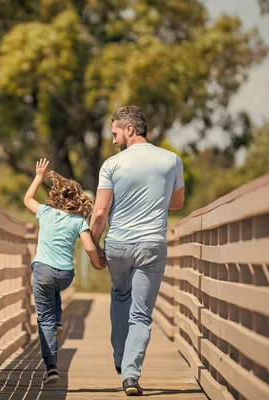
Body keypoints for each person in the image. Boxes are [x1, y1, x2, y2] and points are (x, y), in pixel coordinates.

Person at [90, 106, 185, 396]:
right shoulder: (172, 160)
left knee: (120, 294)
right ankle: (131, 375)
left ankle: (120, 358)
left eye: (115, 132)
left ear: (130, 129)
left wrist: (93, 244)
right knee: (142, 314)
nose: (114, 139)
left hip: (118, 245)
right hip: (151, 246)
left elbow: (100, 211)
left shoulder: (111, 165)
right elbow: (177, 204)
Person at [24, 158, 104, 385]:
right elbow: (89, 247)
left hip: (43, 271)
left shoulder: (46, 212)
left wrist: (39, 177)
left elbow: (27, 199)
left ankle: (51, 367)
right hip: (65, 275)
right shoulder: (78, 221)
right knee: (55, 294)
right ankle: (58, 323)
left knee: (44, 318)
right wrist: (97, 264)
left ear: (55, 196)